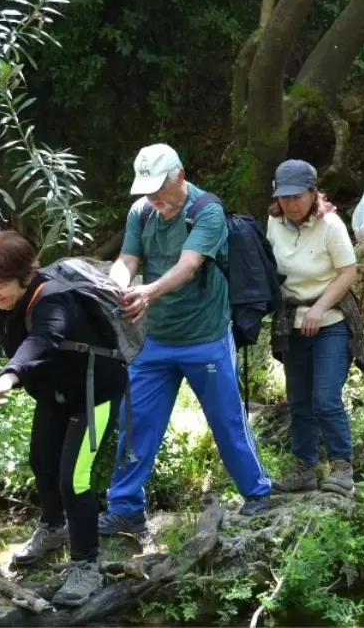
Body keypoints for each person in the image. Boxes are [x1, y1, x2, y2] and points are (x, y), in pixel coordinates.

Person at [0, 230, 127, 606]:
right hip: (56, 395)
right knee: (42, 462)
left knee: (73, 481)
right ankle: (55, 528)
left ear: (25, 276)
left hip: (92, 396)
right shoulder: (12, 296)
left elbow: (44, 338)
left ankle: (86, 565)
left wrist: (8, 377)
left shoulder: (55, 299)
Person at [99, 144, 272, 536]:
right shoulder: (141, 212)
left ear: (179, 175)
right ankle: (125, 509)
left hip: (205, 336)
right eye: (146, 189)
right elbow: (128, 260)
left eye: (159, 187)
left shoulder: (206, 210)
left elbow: (189, 265)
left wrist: (147, 293)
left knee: (227, 420)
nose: (152, 197)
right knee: (135, 423)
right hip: (153, 340)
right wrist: (116, 287)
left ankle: (257, 493)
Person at [266, 160, 358, 497]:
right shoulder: (274, 223)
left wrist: (318, 308)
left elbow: (348, 272)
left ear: (313, 192)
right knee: (299, 399)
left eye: (297, 196)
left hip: (330, 320)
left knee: (325, 398)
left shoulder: (331, 225)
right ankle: (304, 468)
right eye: (284, 197)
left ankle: (342, 468)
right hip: (292, 322)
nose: (291, 204)